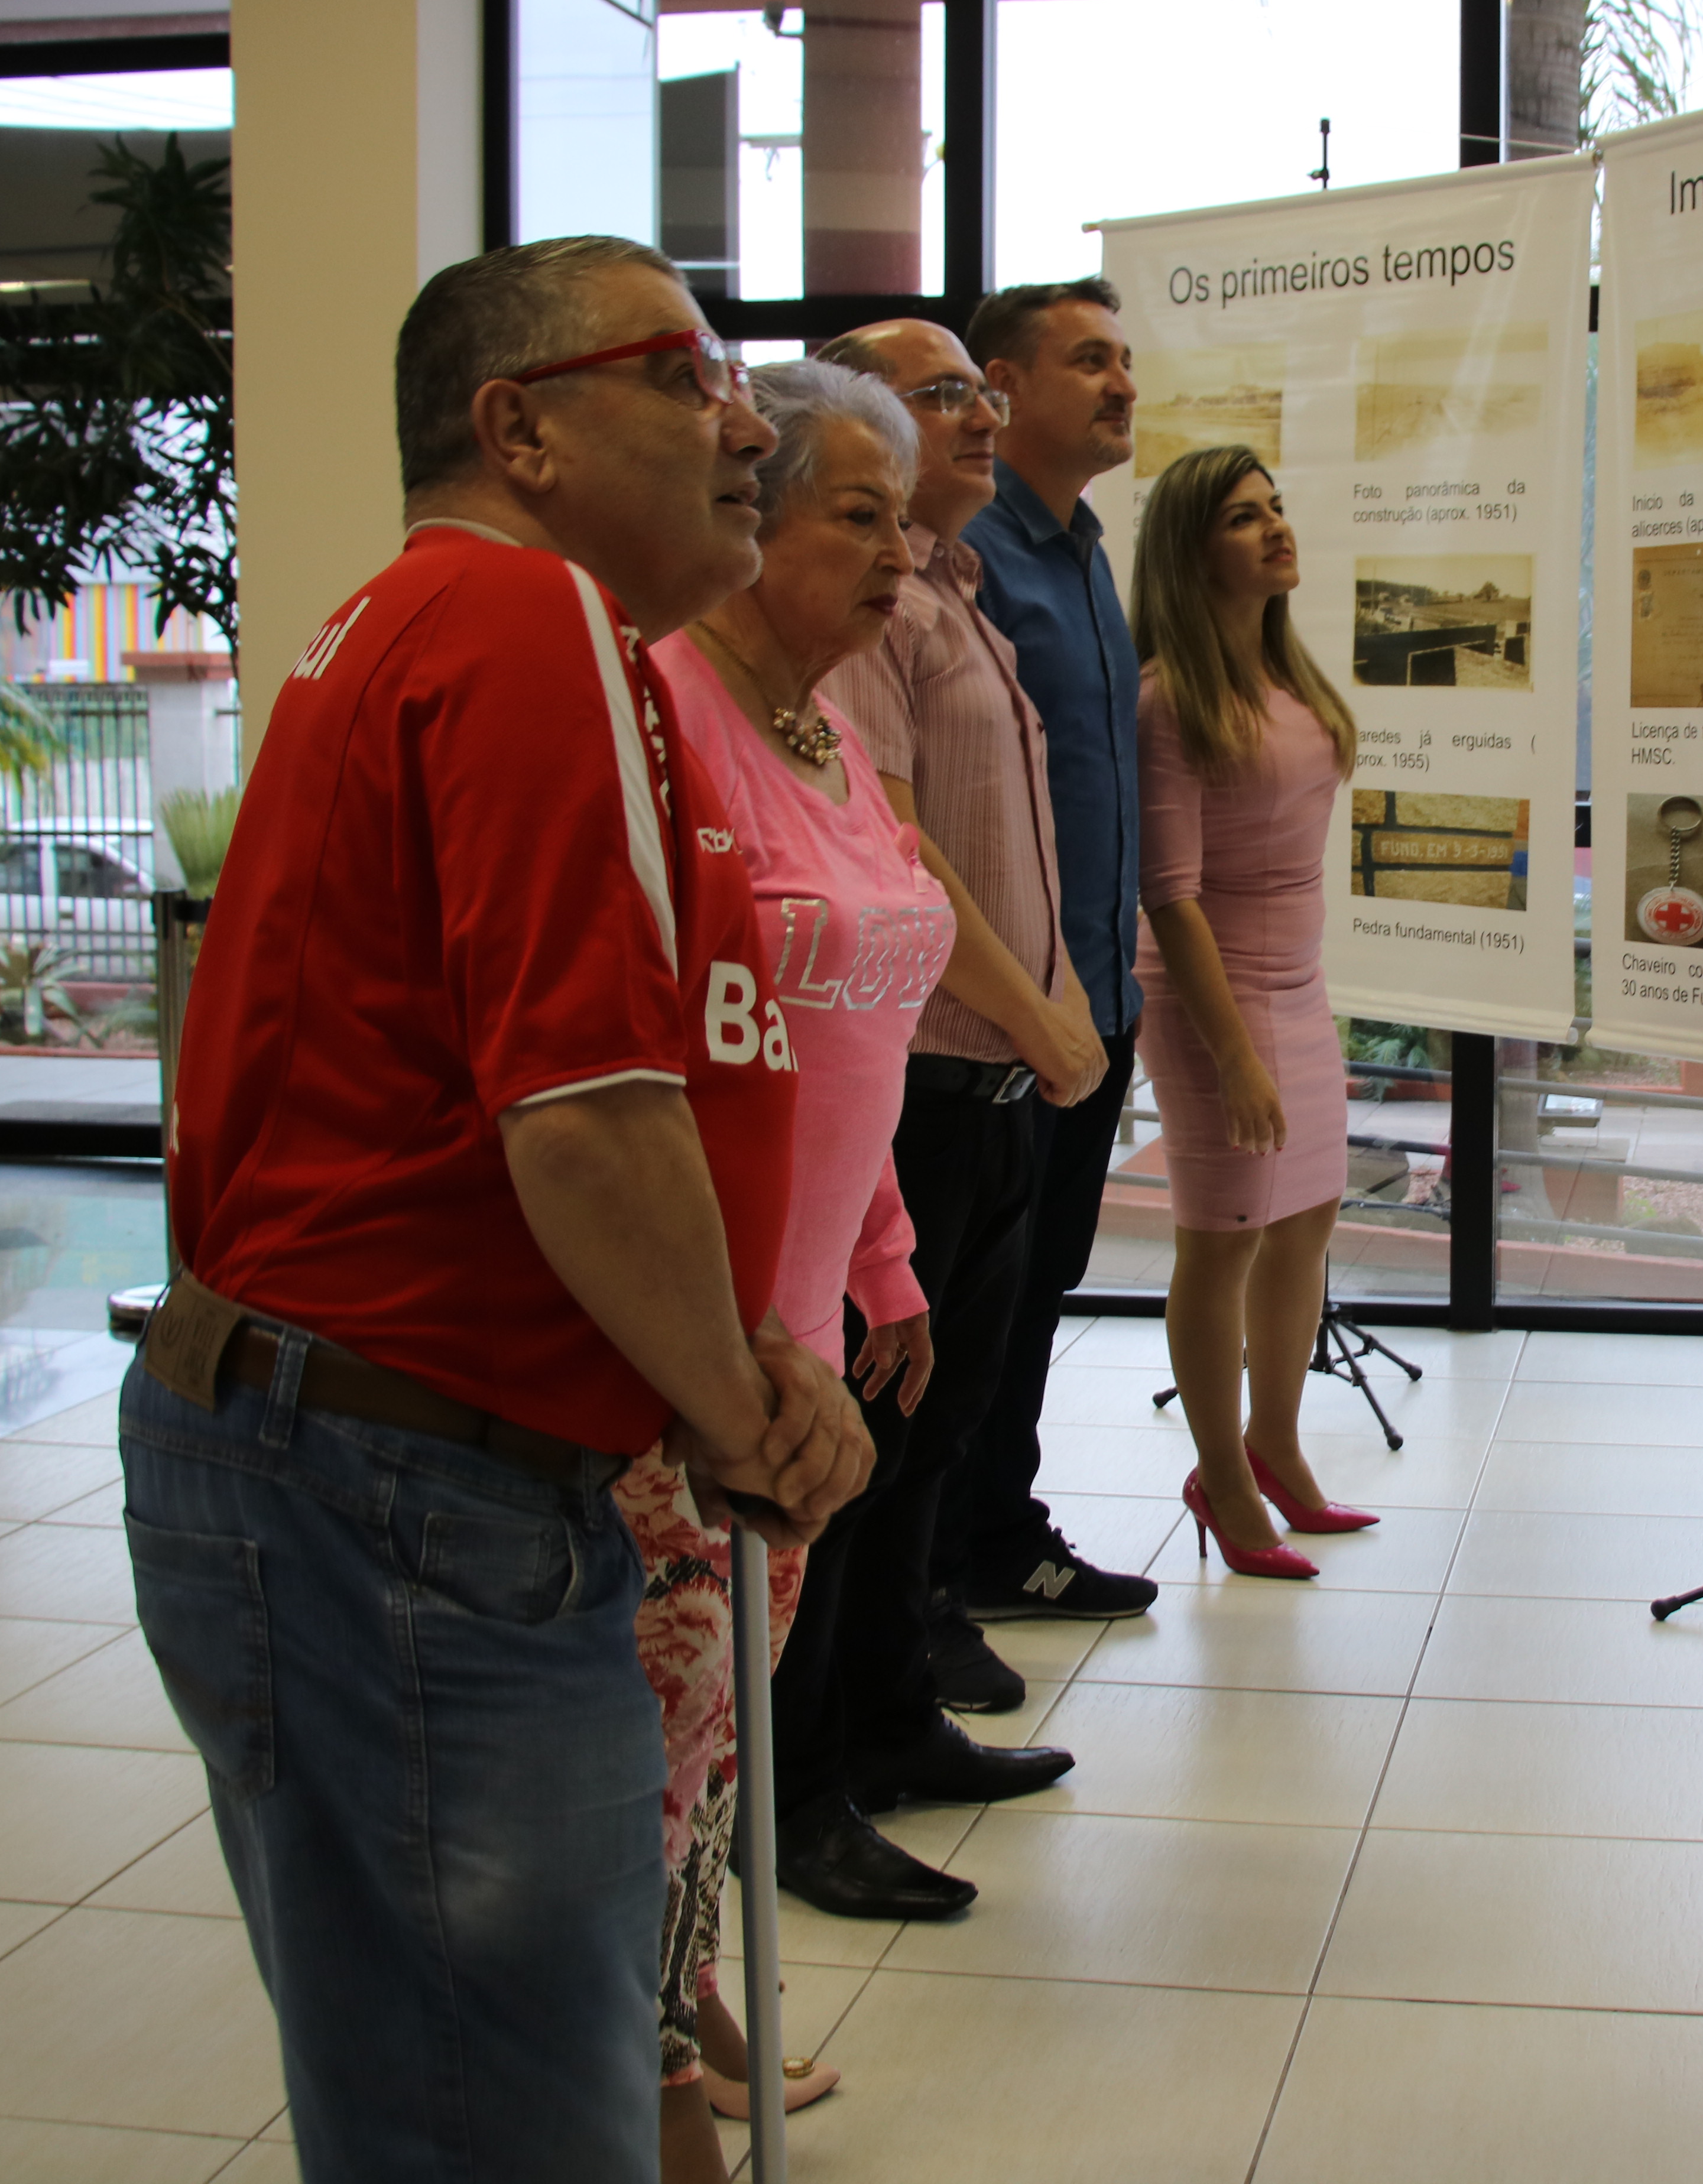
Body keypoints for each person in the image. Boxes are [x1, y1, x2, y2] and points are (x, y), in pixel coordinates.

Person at [126, 235, 874, 2182]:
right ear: (516, 426)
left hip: (344, 1460)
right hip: (405, 1494)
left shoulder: (415, 626)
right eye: (686, 372)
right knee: (503, 2126)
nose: (744, 423)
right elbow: (584, 1111)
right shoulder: (527, 624)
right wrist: (742, 1410)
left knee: (439, 2099)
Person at [619, 359, 952, 2182]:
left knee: (725, 1726)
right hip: (687, 1352)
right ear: (751, 524)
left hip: (806, 1340)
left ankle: (687, 2011)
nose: (905, 552)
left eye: (906, 518)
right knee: (664, 1748)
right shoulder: (660, 715)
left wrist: (884, 1261)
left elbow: (861, 1019)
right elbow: (646, 1067)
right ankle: (659, 2086)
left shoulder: (830, 734)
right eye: (862, 513)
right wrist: (736, 1337)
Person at [756, 319, 1092, 1927]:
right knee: (859, 1462)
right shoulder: (798, 668)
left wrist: (1059, 1000)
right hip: (926, 1083)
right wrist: (1029, 1014)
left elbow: (1004, 837)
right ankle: (808, 1778)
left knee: (924, 1443)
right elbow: (901, 868)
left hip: (970, 1089)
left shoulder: (952, 592)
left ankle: (885, 1717)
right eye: (940, 398)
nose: (980, 415)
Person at [942, 278, 1164, 1626]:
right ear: (1002, 385)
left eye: (1126, 360)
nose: (1123, 384)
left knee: (1037, 1293)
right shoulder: (968, 556)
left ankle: (995, 1532)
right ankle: (944, 1566)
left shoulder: (1082, 550)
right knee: (981, 1309)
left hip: (1095, 996)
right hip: (1003, 1012)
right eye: (1091, 360)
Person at [1131, 445, 1376, 1578]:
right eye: (1244, 517)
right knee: (1221, 1243)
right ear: (1193, 552)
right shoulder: (1169, 697)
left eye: (1278, 507)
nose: (1277, 528)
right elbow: (1169, 894)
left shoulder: (1289, 679)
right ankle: (1222, 1479)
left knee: (1308, 1220)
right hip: (1207, 996)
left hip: (1300, 983)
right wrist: (1233, 1055)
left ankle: (1278, 1444)